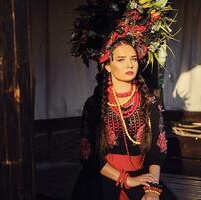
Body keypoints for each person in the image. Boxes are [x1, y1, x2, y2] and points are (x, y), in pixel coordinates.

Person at [70, 1, 177, 199]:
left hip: (144, 179)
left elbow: (156, 151)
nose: (130, 64)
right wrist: (125, 180)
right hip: (101, 181)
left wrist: (152, 189)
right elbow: (89, 155)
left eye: (133, 59)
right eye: (121, 59)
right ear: (107, 66)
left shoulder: (150, 103)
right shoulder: (94, 105)